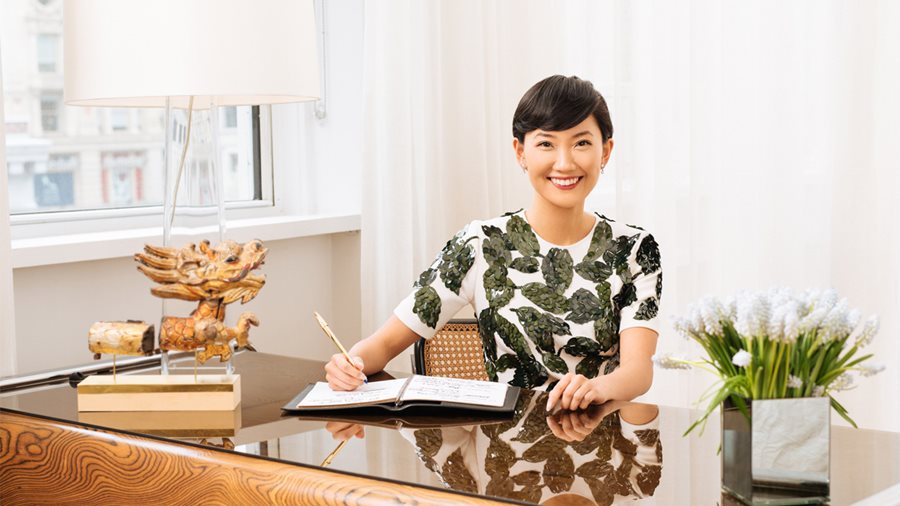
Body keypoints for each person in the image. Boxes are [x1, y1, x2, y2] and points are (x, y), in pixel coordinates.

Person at [325, 75, 662, 412]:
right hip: (504, 449)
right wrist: (350, 364)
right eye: (546, 144)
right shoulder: (481, 244)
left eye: (581, 143)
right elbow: (383, 344)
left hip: (601, 443)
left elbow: (637, 371)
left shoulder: (634, 249)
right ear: (521, 152)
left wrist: (595, 388)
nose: (564, 162)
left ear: (606, 151)